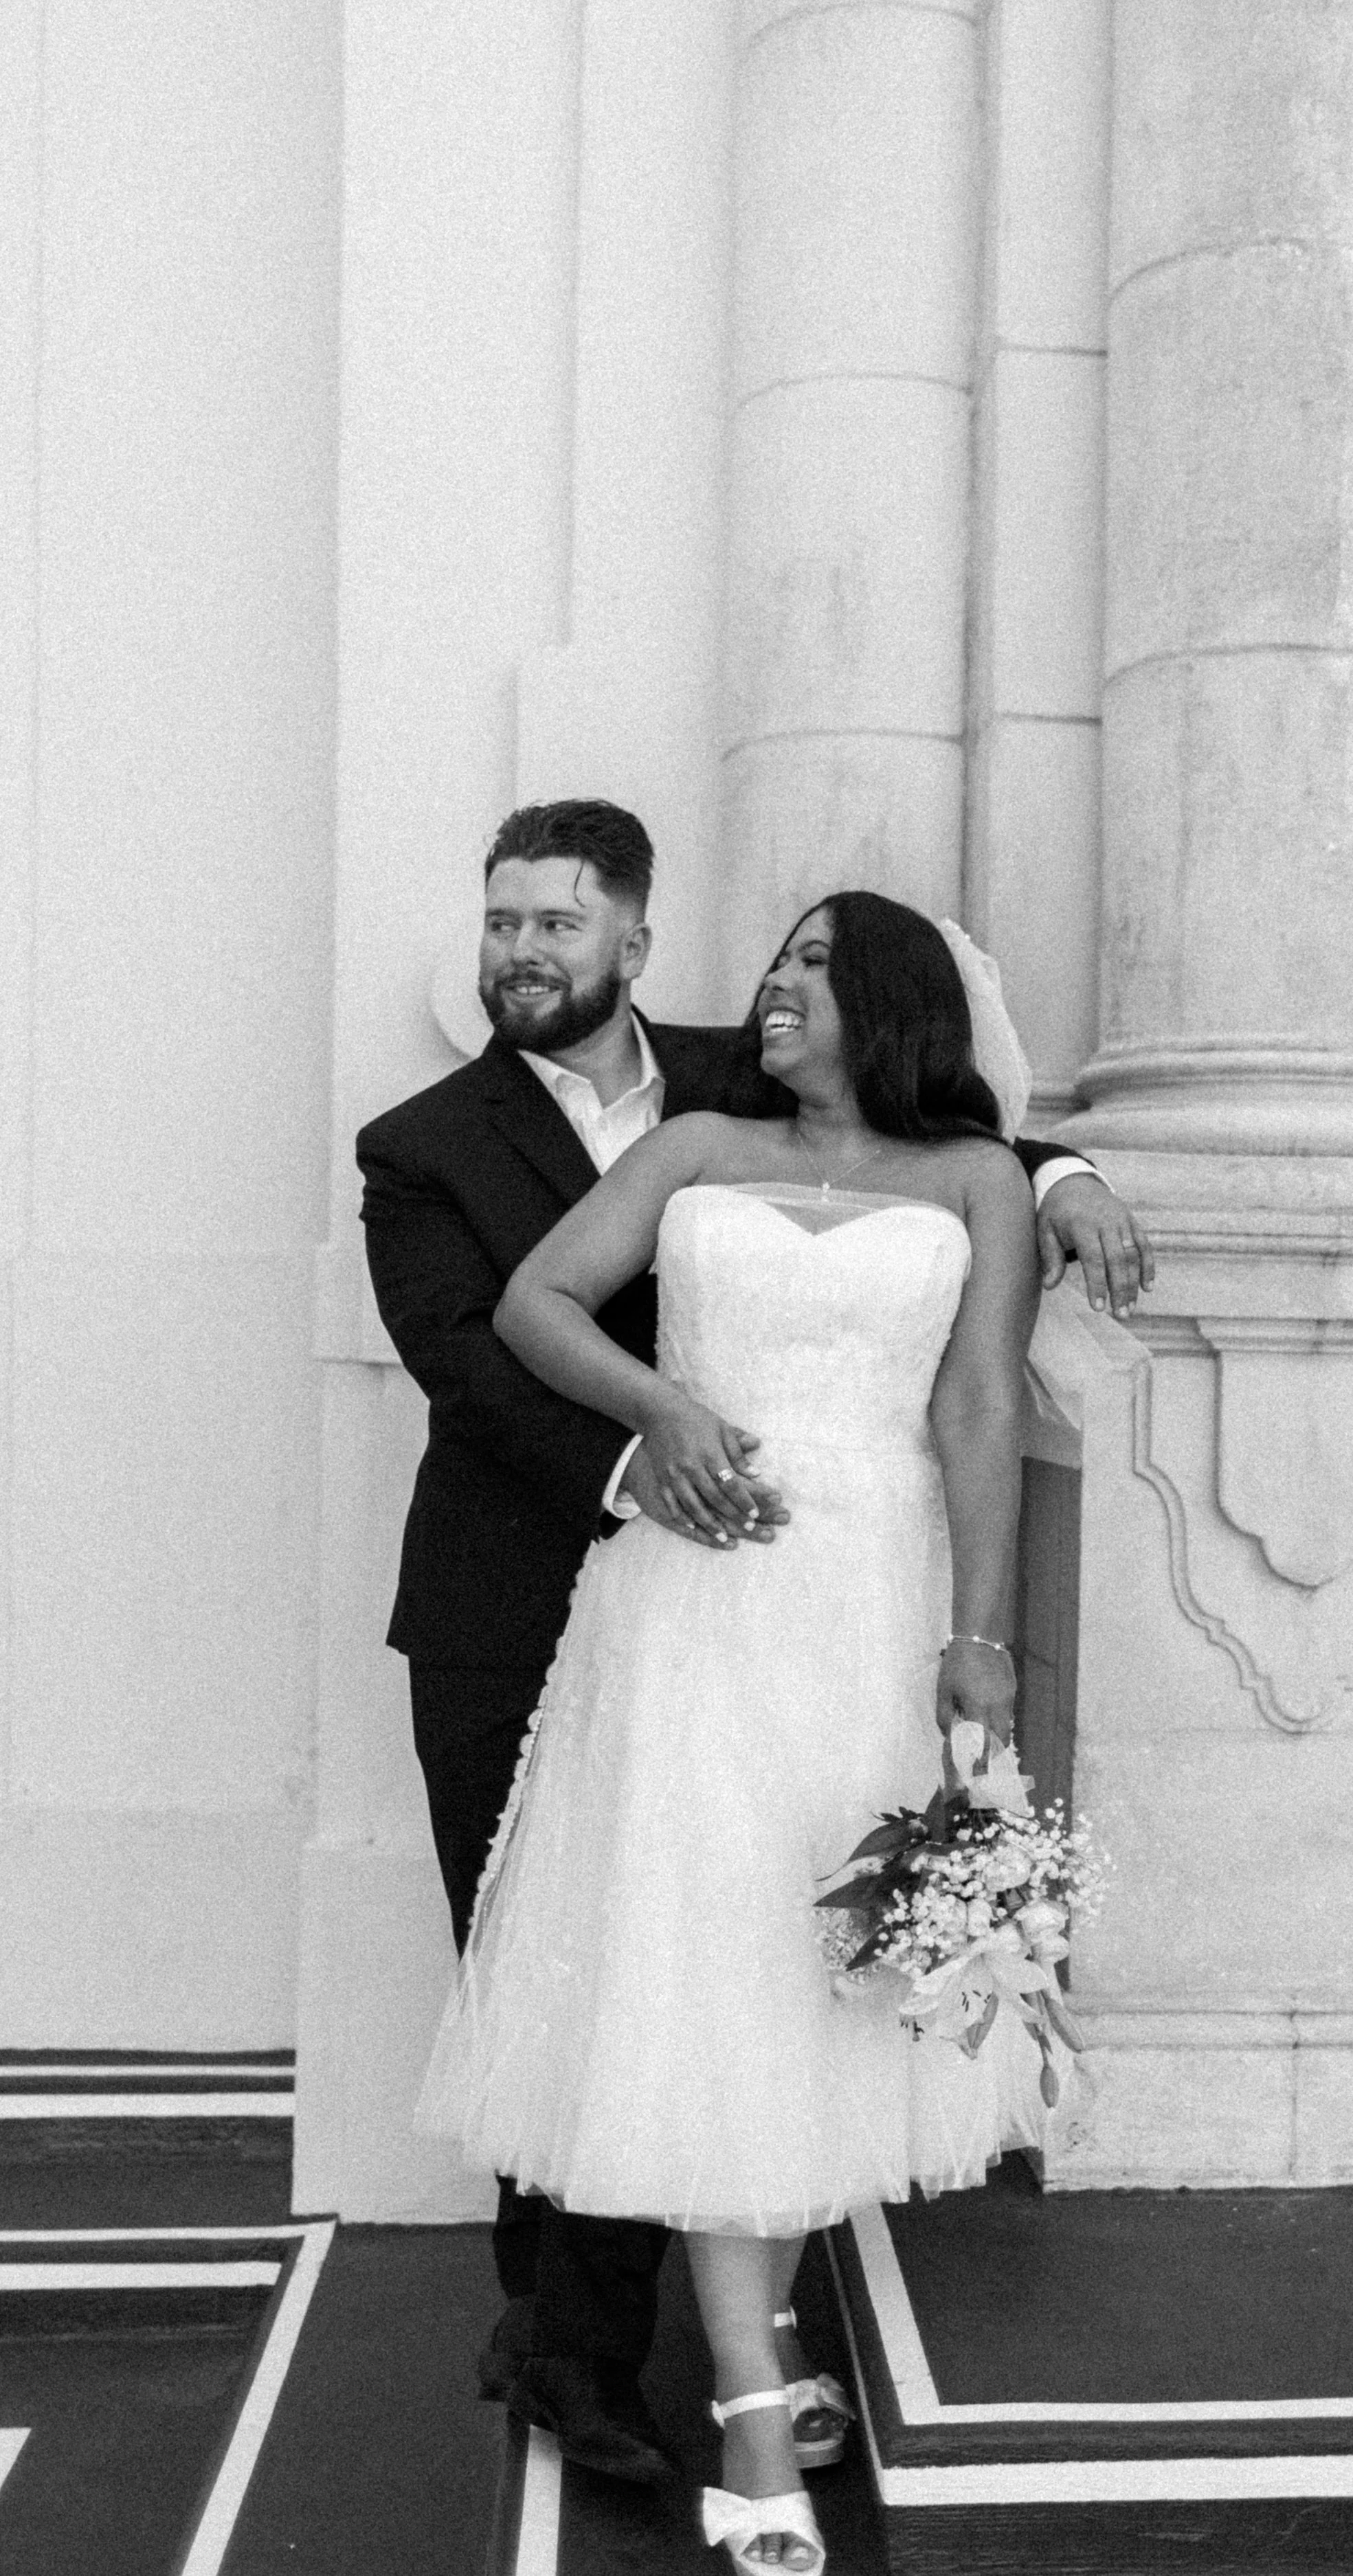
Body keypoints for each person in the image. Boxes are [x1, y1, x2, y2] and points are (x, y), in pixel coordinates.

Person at [357, 802, 1152, 2485]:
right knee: (608, 1954)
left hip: (847, 1587)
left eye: (554, 924)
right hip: (546, 1592)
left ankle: (736, 2348)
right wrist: (656, 1438)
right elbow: (471, 1347)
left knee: (782, 1951)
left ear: (631, 943)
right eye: (500, 924)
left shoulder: (743, 1064)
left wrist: (1070, 1172)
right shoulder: (423, 1141)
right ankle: (584, 2360)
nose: (522, 950)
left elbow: (964, 1171)